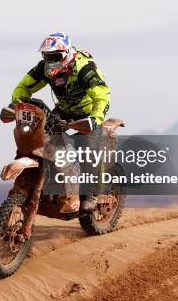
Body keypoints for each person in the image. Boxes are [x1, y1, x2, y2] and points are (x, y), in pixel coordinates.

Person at [11, 32, 111, 211]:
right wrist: (17, 103)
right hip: (62, 112)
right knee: (41, 141)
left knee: (88, 151)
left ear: (66, 54)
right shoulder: (44, 68)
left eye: (55, 56)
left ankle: (92, 194)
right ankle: (44, 182)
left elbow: (102, 95)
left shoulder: (84, 69)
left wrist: (95, 118)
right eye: (47, 56)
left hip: (87, 115)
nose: (50, 61)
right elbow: (23, 87)